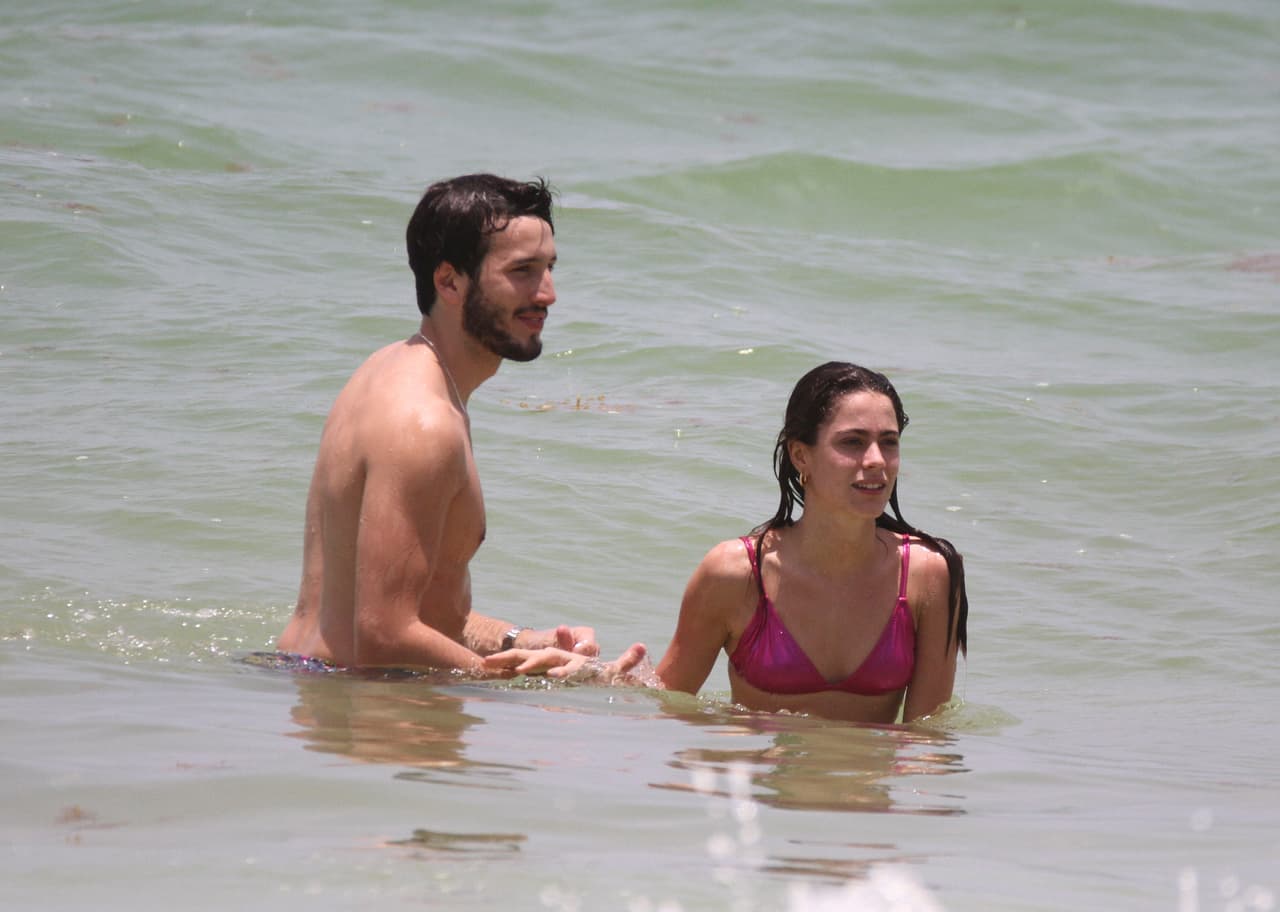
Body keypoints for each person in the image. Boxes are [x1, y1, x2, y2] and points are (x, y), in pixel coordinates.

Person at [277, 173, 644, 681]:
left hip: (322, 686)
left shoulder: (389, 370)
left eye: (549, 268)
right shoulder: (423, 424)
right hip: (365, 704)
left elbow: (419, 612)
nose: (549, 294)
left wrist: (522, 644)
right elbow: (382, 635)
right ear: (449, 282)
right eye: (523, 271)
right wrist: (538, 683)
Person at [655, 362, 968, 723]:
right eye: (853, 442)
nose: (876, 460)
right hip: (759, 759)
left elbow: (926, 737)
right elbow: (666, 704)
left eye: (889, 442)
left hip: (867, 762)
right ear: (801, 455)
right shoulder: (735, 574)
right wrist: (606, 682)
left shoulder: (928, 576)